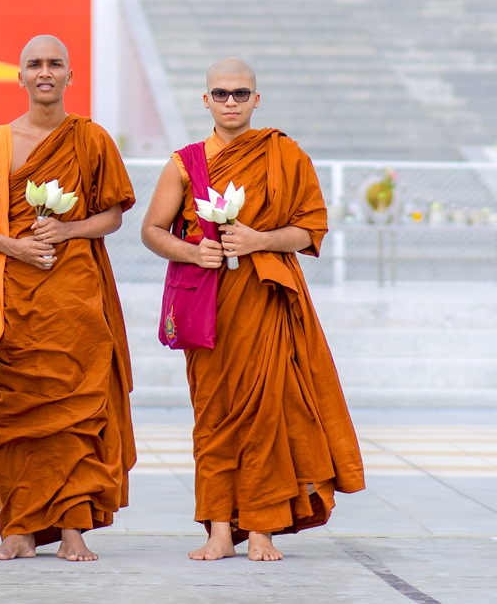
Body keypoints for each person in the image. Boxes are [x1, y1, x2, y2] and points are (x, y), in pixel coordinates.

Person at [139, 58, 365, 561]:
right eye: (221, 94)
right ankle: (219, 528)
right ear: (206, 101)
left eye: (241, 94)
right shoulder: (185, 162)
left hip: (265, 303)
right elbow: (152, 230)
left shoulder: (283, 154)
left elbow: (310, 228)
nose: (231, 103)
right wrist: (196, 250)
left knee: (268, 413)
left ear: (256, 99)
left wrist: (260, 238)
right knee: (214, 416)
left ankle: (261, 525)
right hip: (208, 306)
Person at [0, 33, 136, 562]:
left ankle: (71, 525)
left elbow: (114, 214)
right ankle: (17, 524)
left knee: (78, 408)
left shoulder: (93, 138)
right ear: (19, 76)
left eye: (54, 64)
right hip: (19, 294)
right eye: (33, 64)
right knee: (18, 407)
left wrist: (68, 231)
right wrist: (12, 244)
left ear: (69, 76)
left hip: (77, 295)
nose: (44, 72)